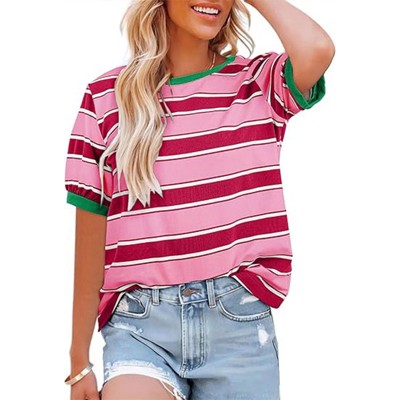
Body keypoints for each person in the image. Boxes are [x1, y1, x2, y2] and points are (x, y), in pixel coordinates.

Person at [63, 0, 335, 399]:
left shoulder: (258, 85)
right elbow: (90, 243)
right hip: (140, 328)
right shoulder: (105, 97)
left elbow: (317, 49)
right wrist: (78, 360)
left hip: (238, 326)